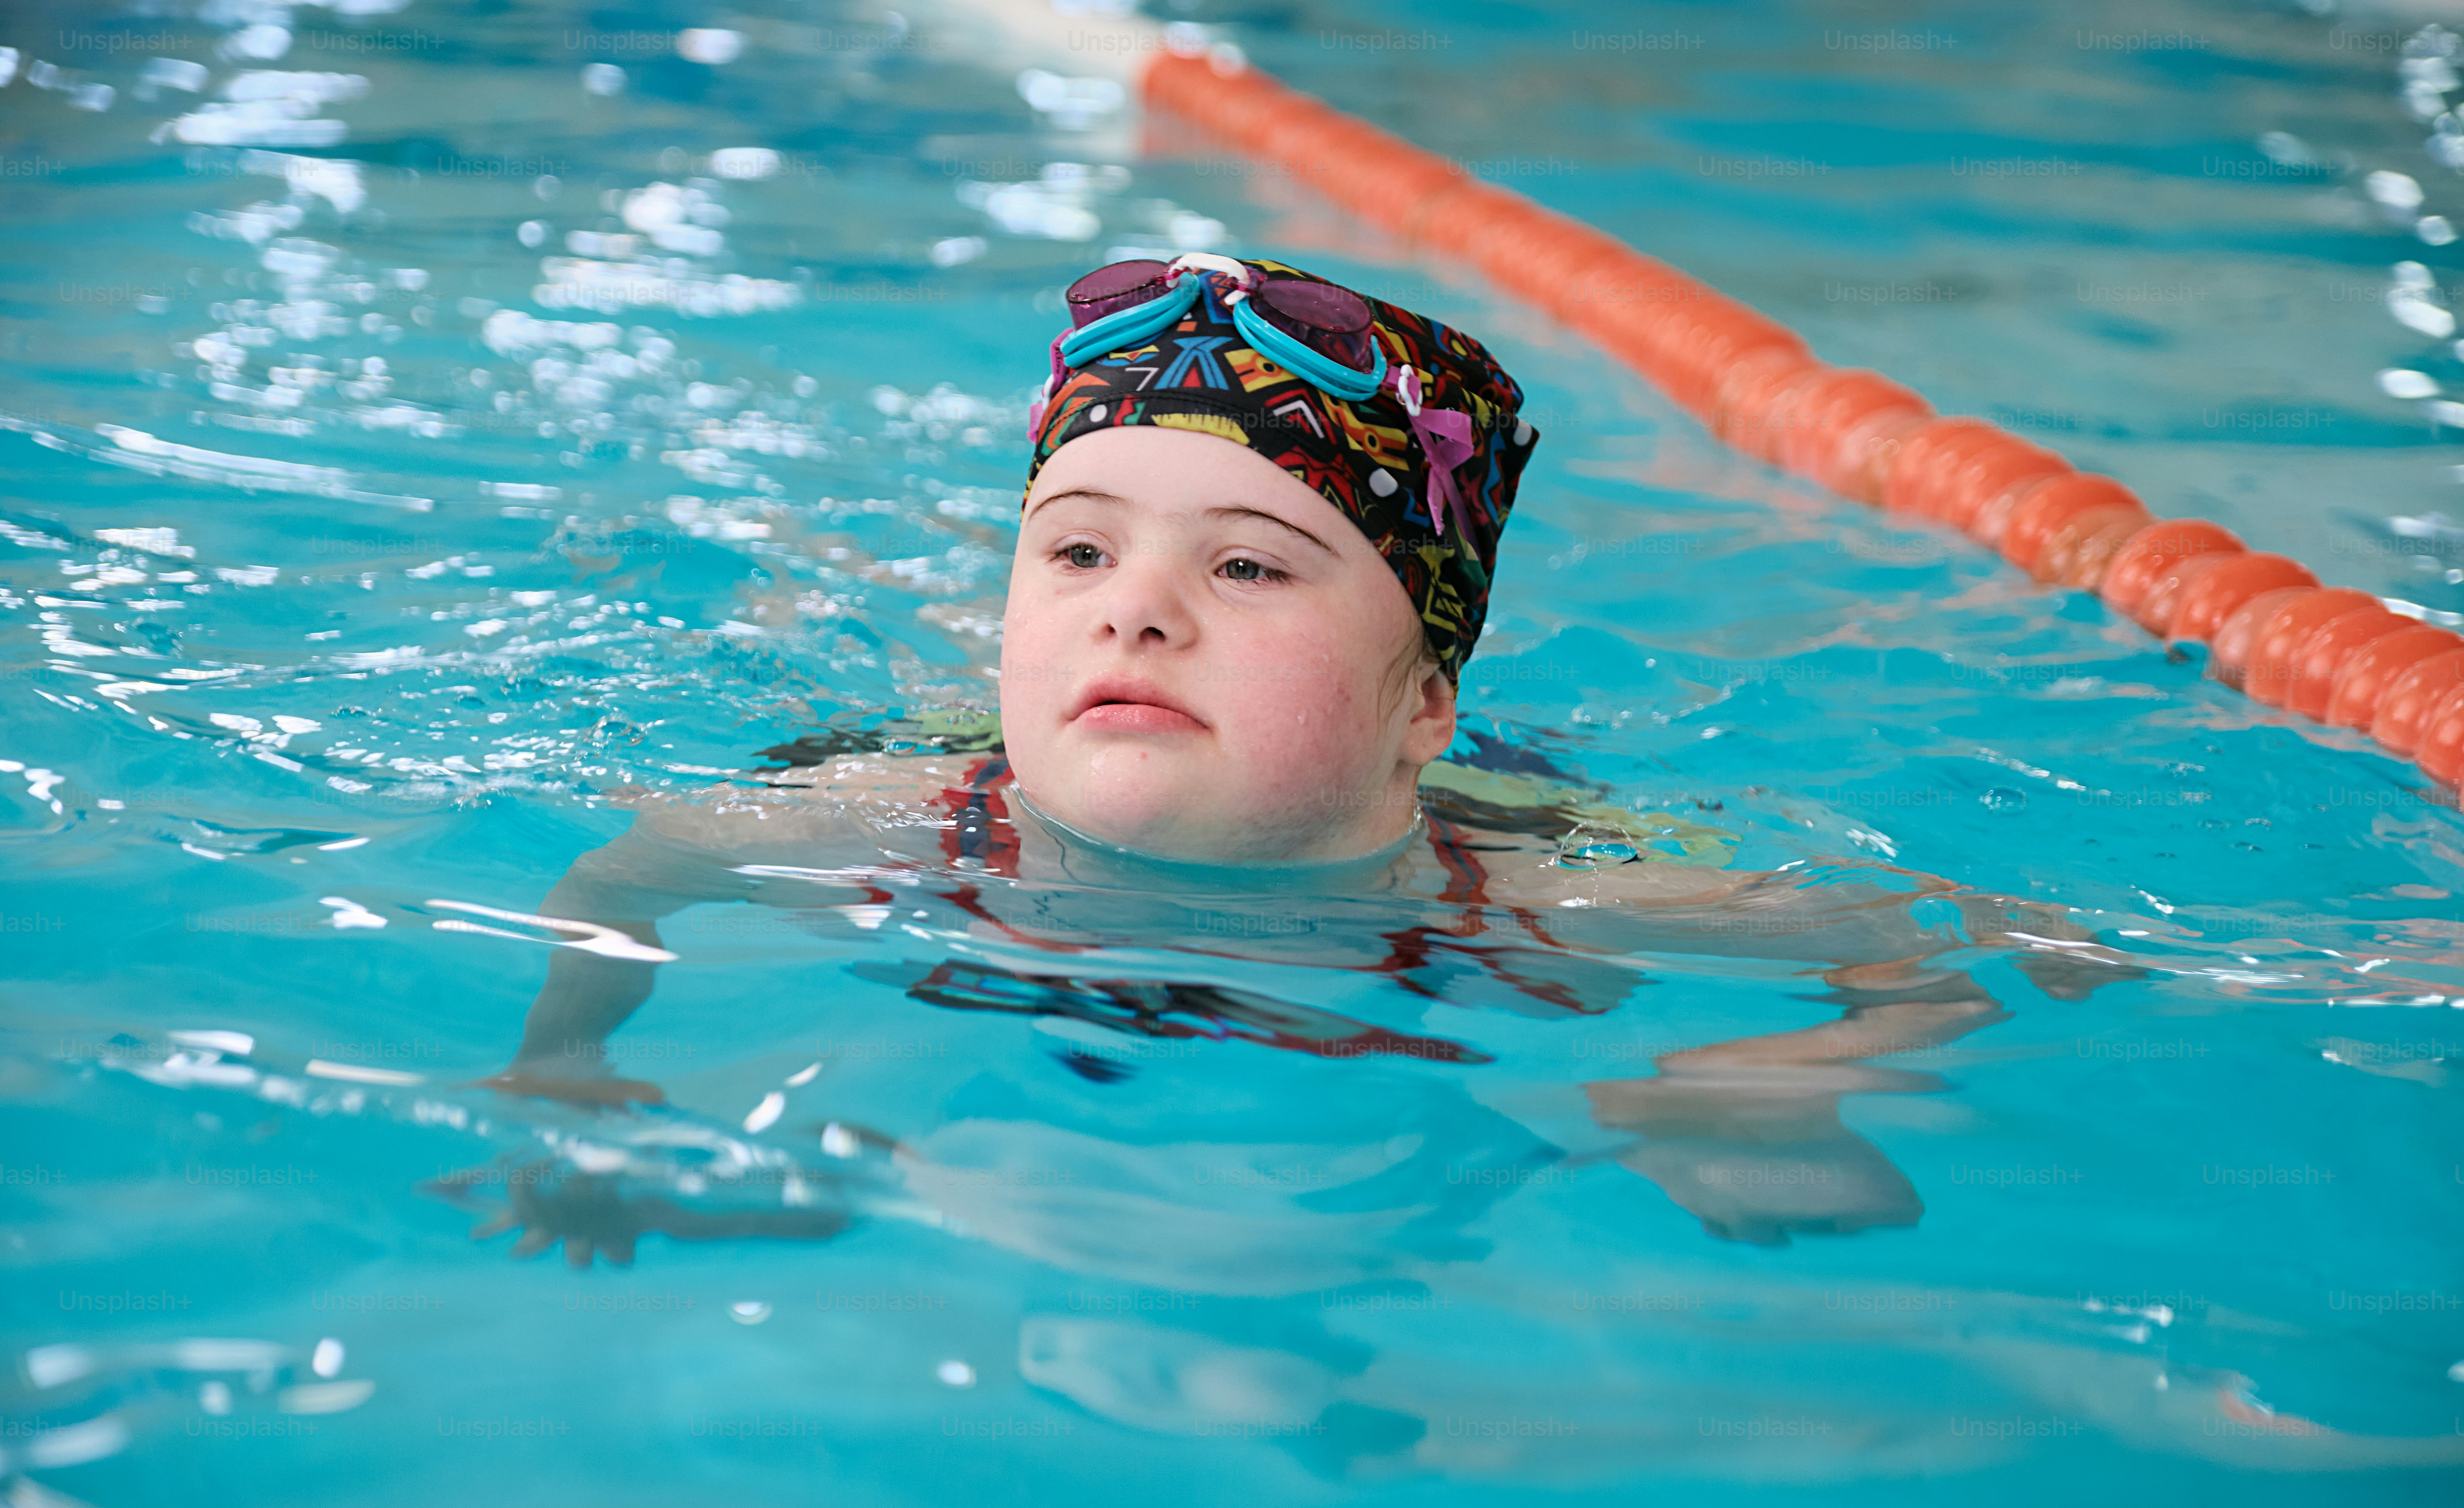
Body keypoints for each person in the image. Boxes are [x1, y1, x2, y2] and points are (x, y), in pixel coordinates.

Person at [475, 252, 2137, 1253]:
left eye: (1249, 567)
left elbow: (1964, 943)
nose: (1138, 616)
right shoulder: (901, 806)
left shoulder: (1542, 887)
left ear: (1424, 708)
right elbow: (638, 866)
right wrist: (565, 1062)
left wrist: (1770, 1077)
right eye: (1074, 554)